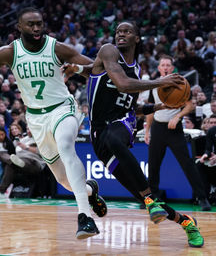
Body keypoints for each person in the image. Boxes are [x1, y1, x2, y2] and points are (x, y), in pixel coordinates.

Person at [0, 7, 107, 239]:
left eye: (39, 23)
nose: (37, 28)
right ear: (19, 27)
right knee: (63, 180)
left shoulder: (56, 48)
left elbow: (96, 70)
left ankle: (85, 218)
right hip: (36, 118)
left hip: (62, 108)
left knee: (67, 147)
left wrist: (78, 69)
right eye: (31, 24)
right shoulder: (9, 53)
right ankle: (90, 191)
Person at [69, 21, 204, 247]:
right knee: (139, 193)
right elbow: (121, 86)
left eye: (127, 31)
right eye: (118, 31)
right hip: (98, 136)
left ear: (137, 38)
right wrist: (157, 98)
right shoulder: (108, 52)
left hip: (120, 125)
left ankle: (151, 201)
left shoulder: (135, 71)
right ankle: (186, 222)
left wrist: (158, 106)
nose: (120, 34)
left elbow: (128, 106)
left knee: (116, 139)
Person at [145, 55, 211, 212]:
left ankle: (202, 198)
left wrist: (177, 116)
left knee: (187, 164)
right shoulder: (153, 85)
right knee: (153, 165)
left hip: (174, 130)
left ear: (172, 68)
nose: (166, 67)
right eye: (163, 64)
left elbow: (190, 105)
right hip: (158, 128)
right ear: (159, 68)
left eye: (168, 64)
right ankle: (152, 198)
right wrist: (147, 130)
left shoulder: (180, 84)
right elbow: (150, 109)